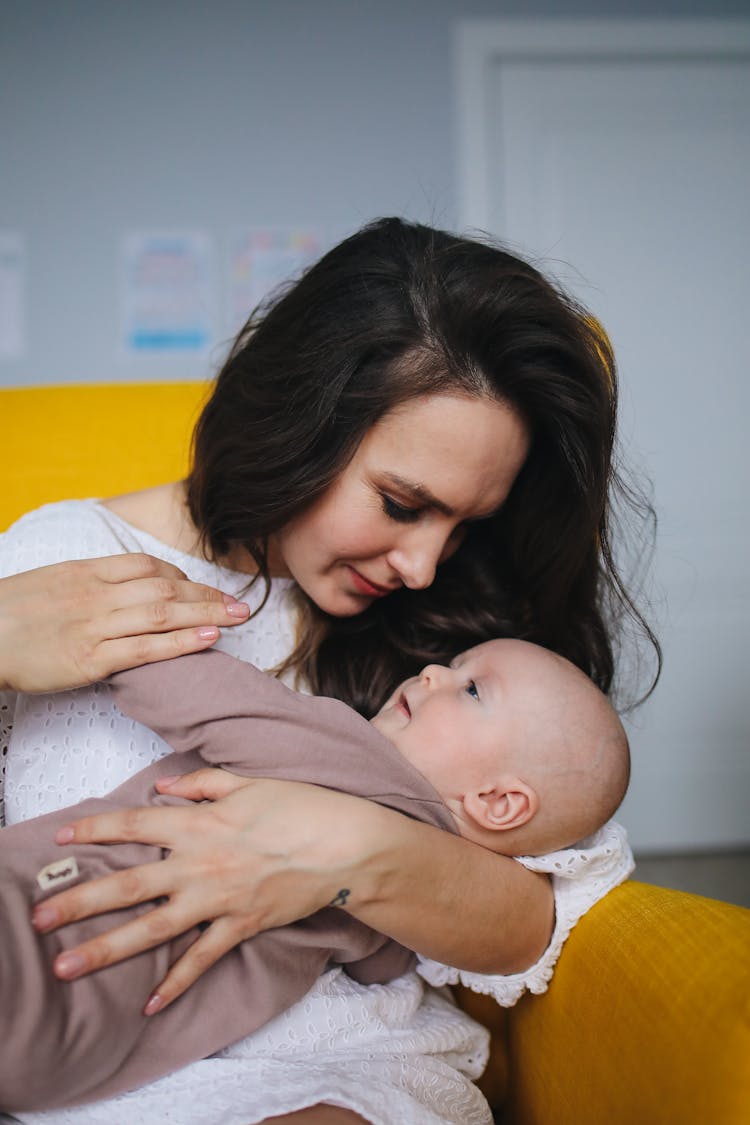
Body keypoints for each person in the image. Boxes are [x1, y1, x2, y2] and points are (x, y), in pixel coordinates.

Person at [0, 216, 655, 1125]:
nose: (425, 565)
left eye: (463, 525)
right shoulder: (62, 560)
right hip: (90, 1055)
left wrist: (342, 850)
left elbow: (533, 918)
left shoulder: (452, 625)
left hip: (345, 1066)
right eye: (401, 503)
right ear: (300, 420)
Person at [1, 638, 629, 1113]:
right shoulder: (402, 915)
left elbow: (206, 698)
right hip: (91, 1049)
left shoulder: (349, 753)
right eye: (457, 663)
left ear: (500, 803)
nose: (436, 671)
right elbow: (379, 971)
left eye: (471, 690)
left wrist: (117, 640)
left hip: (47, 922)